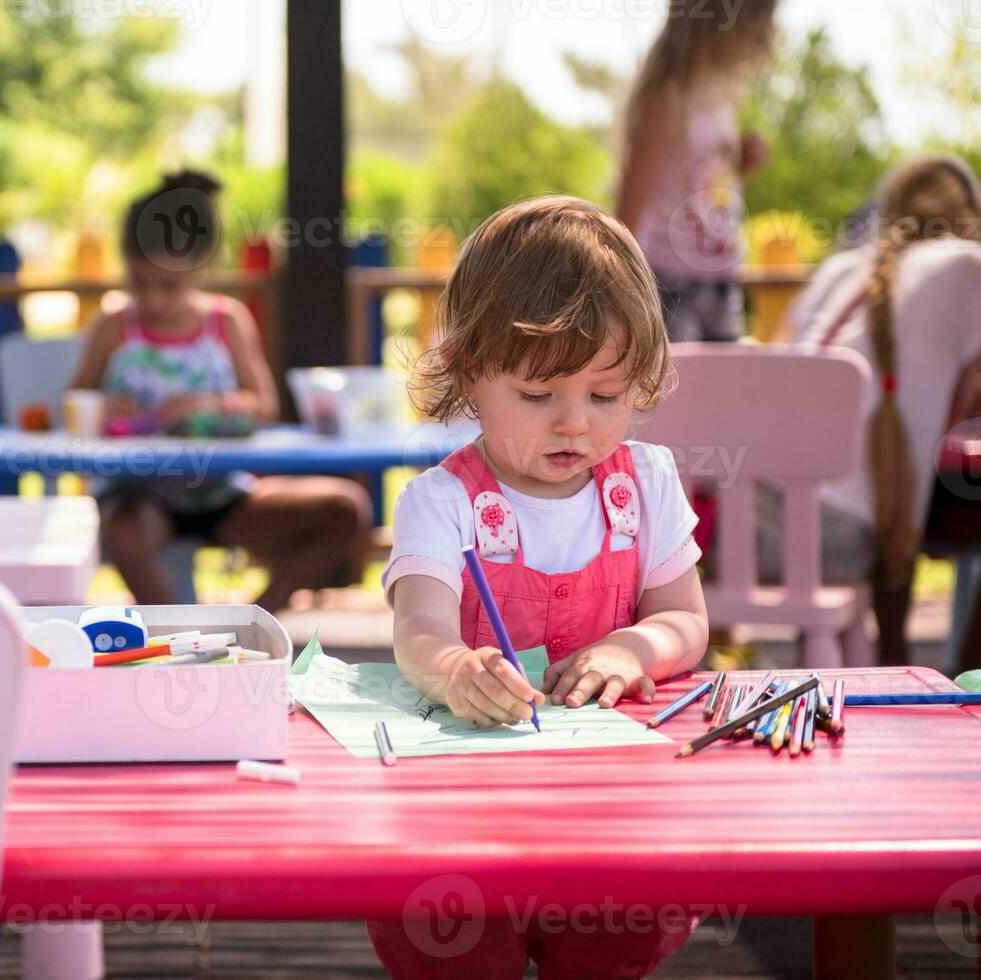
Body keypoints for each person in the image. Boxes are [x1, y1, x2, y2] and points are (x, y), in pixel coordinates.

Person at [369, 197, 708, 977]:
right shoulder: (441, 501)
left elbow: (685, 621)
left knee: (604, 948)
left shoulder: (642, 483)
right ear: (465, 374)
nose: (574, 426)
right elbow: (417, 629)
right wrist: (453, 668)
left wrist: (632, 648)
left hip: (608, 805)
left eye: (605, 395)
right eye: (536, 396)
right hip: (464, 807)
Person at [67, 169, 370, 611]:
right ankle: (176, 632)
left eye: (168, 286)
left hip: (222, 494)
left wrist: (210, 404)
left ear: (199, 268)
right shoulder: (113, 329)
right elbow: (74, 404)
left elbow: (262, 405)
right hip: (141, 498)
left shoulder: (225, 323)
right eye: (139, 284)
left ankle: (249, 621)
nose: (152, 301)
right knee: (124, 532)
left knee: (347, 510)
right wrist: (106, 406)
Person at [779, 154, 981, 663]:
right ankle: (965, 676)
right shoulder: (967, 265)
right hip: (842, 535)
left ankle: (893, 655)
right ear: (966, 219)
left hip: (752, 525)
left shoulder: (837, 268)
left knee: (884, 473)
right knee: (896, 478)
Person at [616, 0, 778, 342]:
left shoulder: (721, 97)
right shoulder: (667, 97)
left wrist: (739, 167)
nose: (766, 37)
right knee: (680, 388)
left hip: (721, 276)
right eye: (757, 24)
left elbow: (699, 185)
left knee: (724, 389)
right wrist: (618, 275)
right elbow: (635, 190)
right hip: (671, 280)